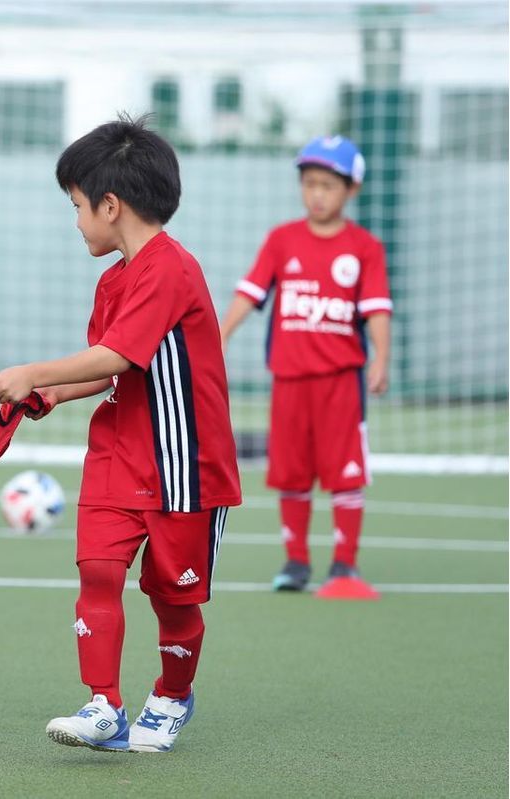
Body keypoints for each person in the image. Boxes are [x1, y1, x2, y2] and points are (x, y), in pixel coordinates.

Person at [0, 116, 242, 754]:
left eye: (76, 207)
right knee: (98, 572)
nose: (76, 222)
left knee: (173, 598)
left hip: (184, 466)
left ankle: (173, 695)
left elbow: (119, 355)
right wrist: (47, 394)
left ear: (109, 205)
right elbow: (105, 370)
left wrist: (32, 372)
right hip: (117, 455)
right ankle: (104, 705)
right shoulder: (113, 280)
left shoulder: (171, 268)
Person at [220, 135, 391, 599]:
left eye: (328, 185)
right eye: (310, 183)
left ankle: (344, 563)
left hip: (341, 383)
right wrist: (221, 333)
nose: (317, 193)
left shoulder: (365, 247)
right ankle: (295, 562)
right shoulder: (282, 240)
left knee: (346, 472)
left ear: (352, 189)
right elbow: (250, 292)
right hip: (289, 381)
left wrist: (381, 357)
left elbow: (377, 308)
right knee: (291, 472)